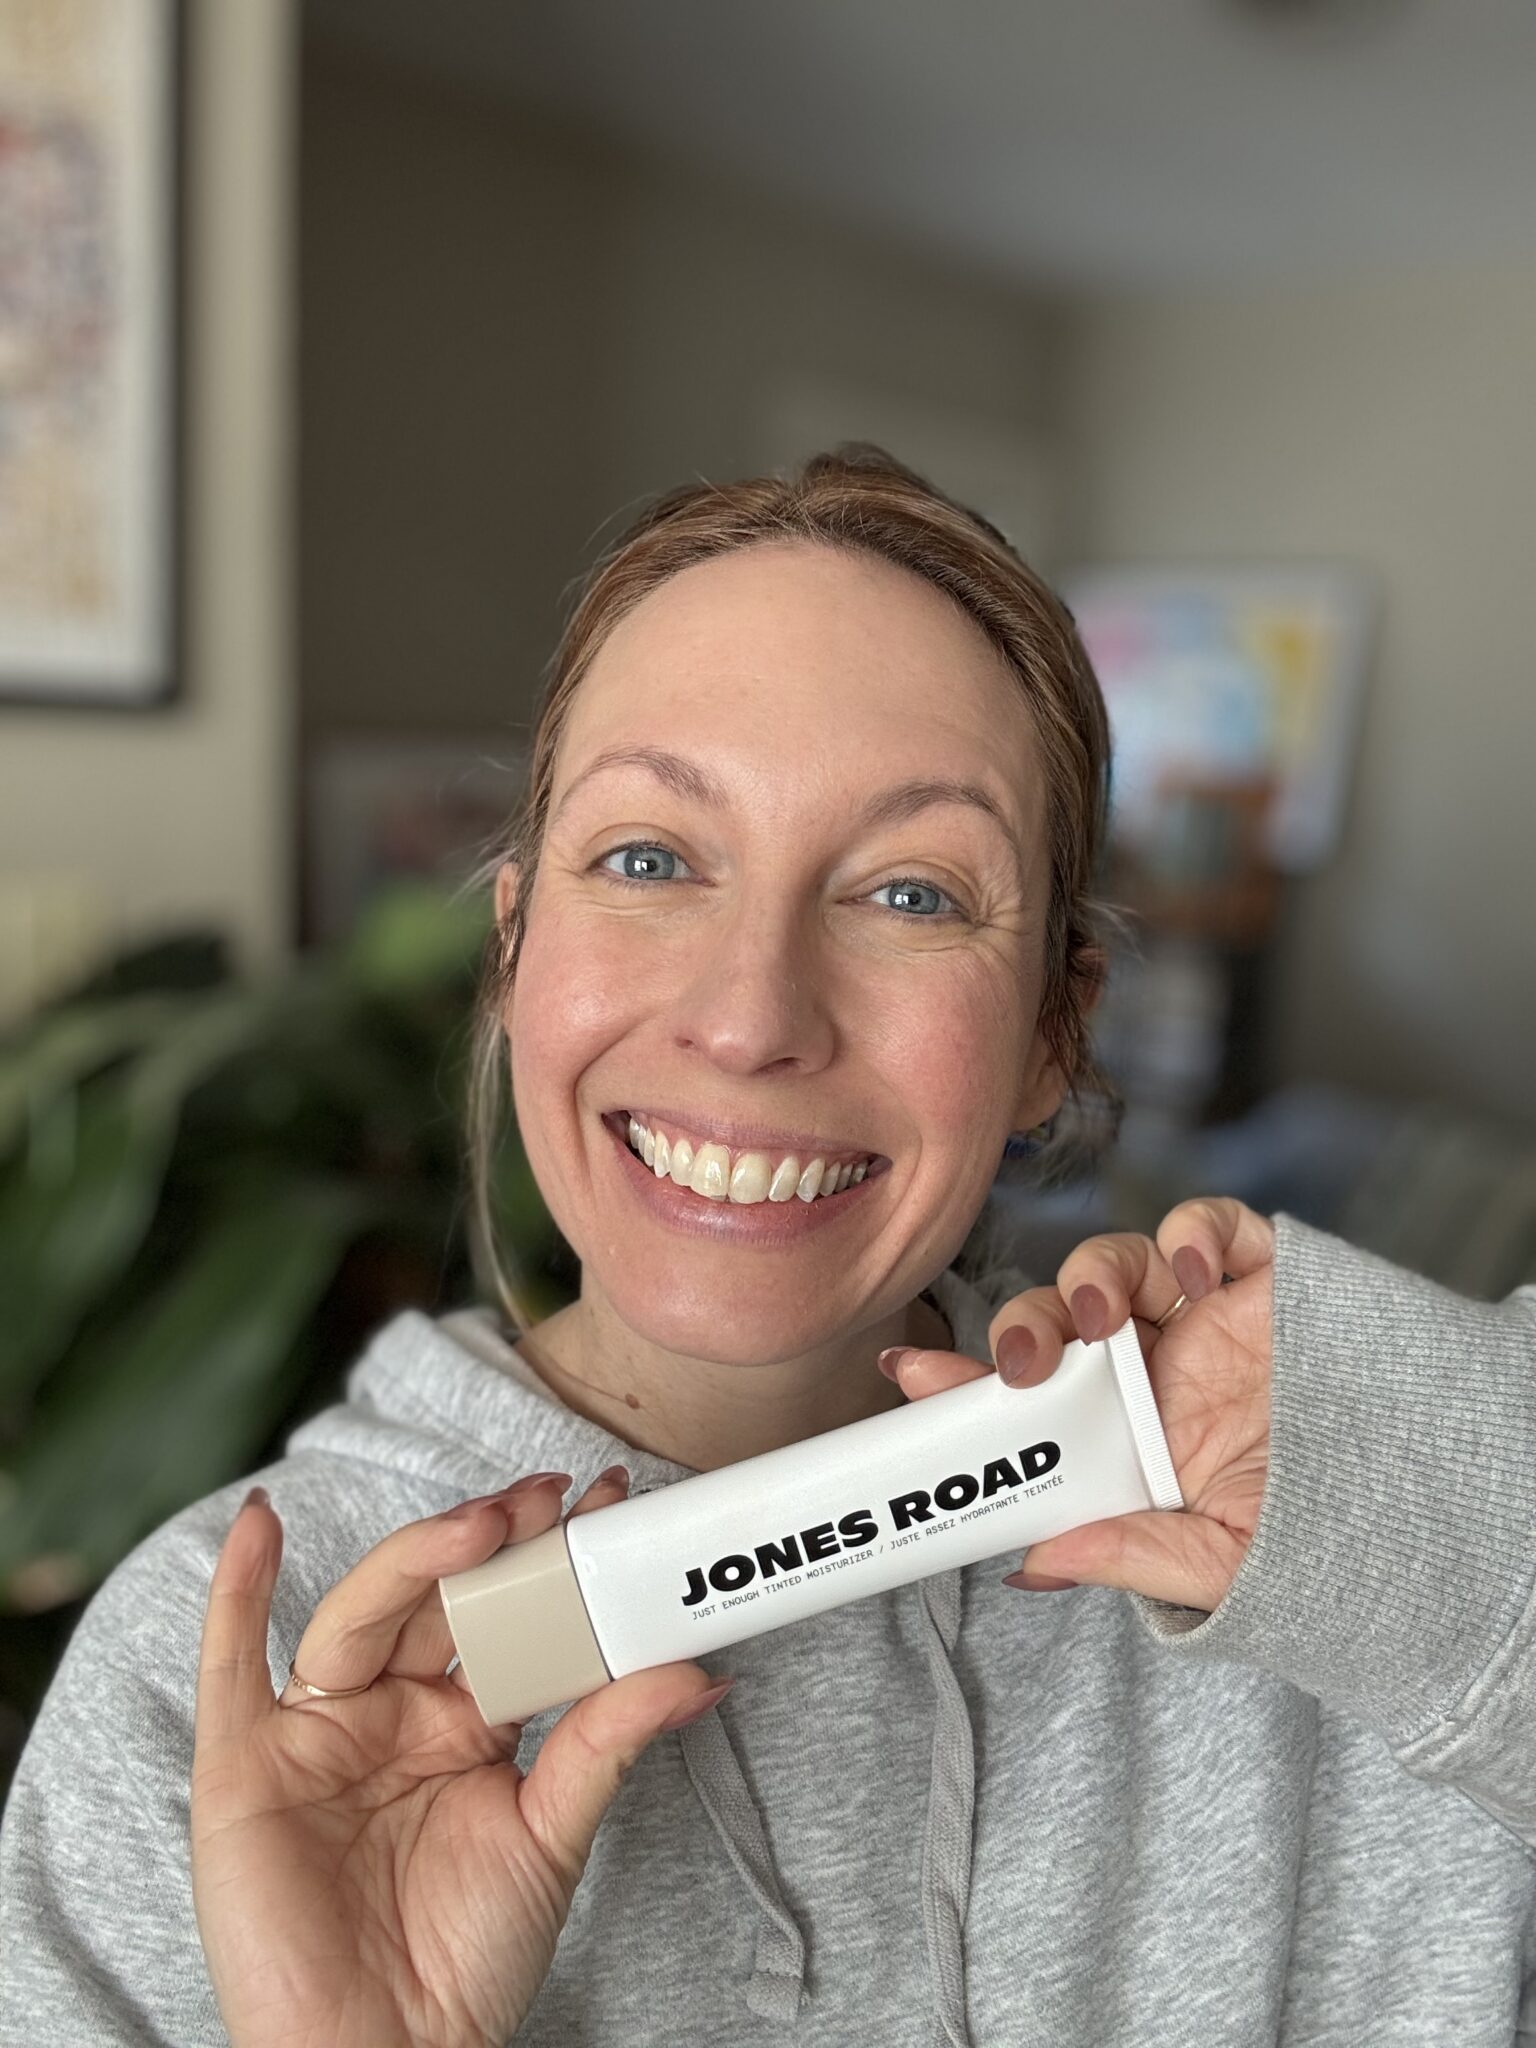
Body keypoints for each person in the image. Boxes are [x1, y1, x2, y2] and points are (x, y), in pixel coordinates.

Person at [2, 445, 1534, 2047]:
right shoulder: (232, 1681)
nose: (749, 1020)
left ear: (1051, 1032)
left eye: (910, 893)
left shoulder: (1321, 1553)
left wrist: (1429, 1501)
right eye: (651, 858)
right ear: (514, 947)